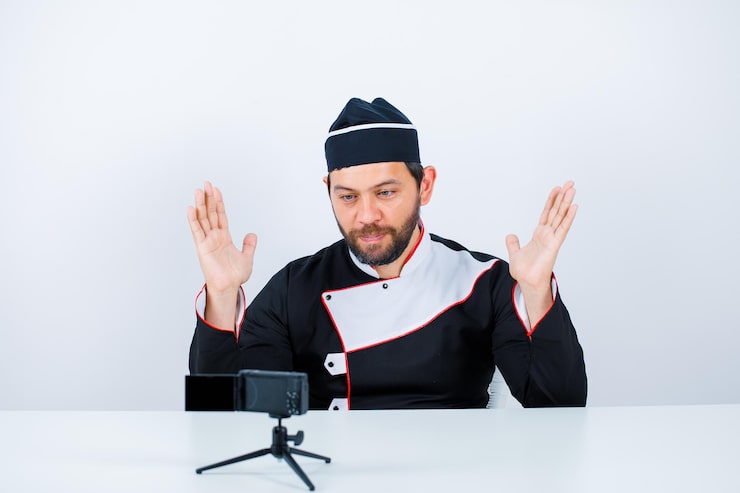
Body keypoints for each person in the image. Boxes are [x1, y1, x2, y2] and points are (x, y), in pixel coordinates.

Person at [187, 97, 587, 410]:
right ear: (328, 191)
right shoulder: (294, 288)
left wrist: (536, 291)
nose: (367, 216)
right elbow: (224, 413)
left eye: (386, 192)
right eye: (348, 197)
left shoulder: (485, 280)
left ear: (425, 185)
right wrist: (221, 295)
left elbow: (560, 407)